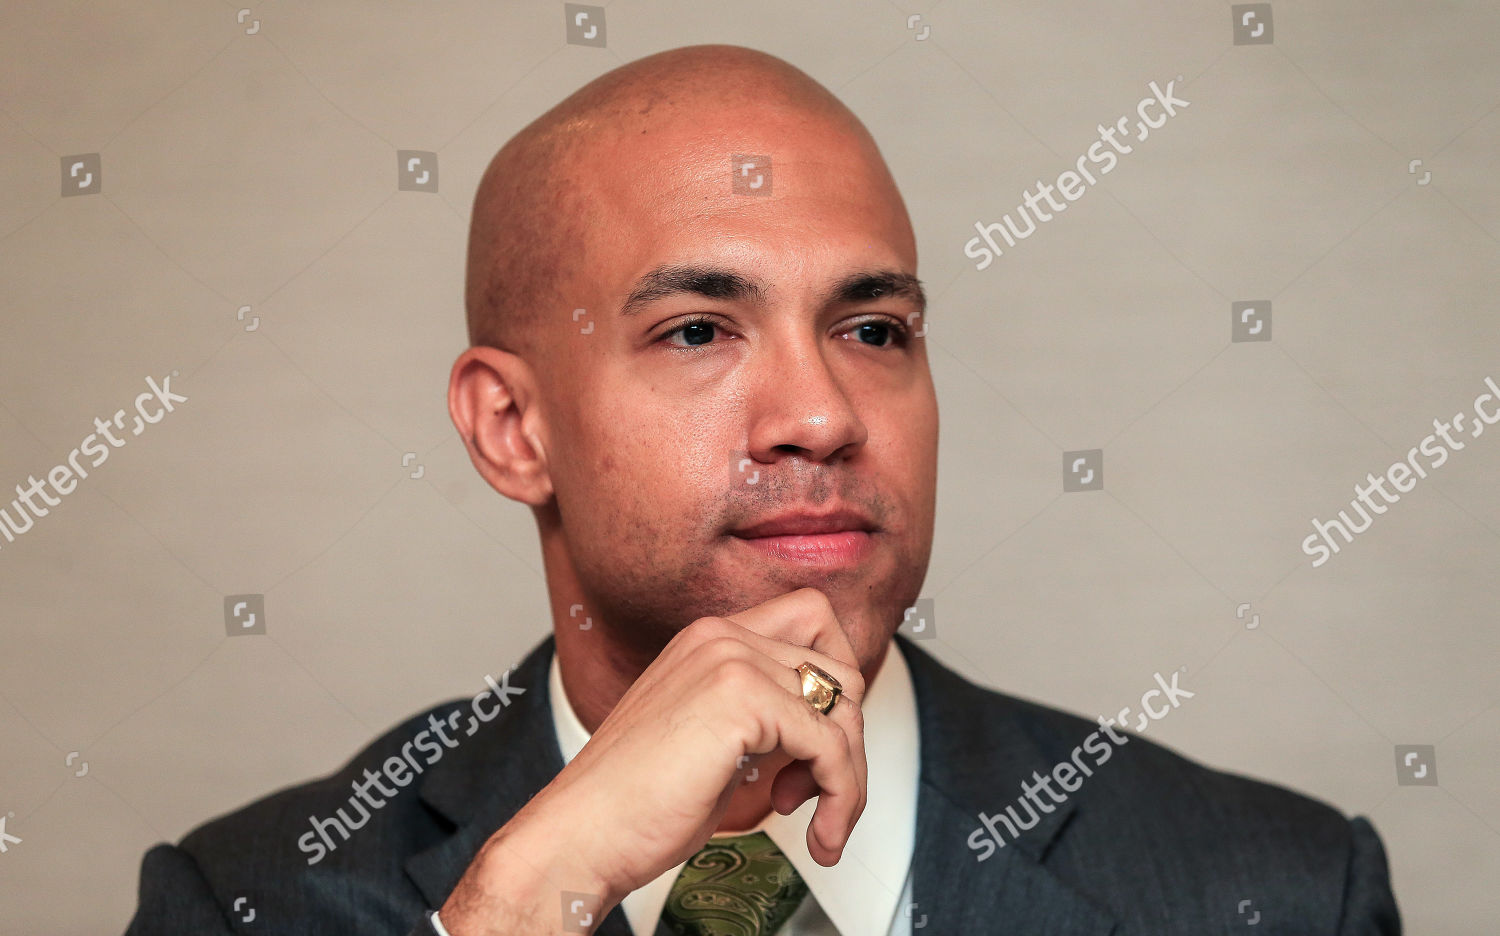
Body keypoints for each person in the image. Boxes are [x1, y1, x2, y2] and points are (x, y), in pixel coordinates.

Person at [124, 43, 1400, 935]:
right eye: (696, 332)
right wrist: (524, 905)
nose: (823, 416)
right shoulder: (243, 900)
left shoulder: (1281, 891)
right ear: (512, 426)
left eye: (874, 330)